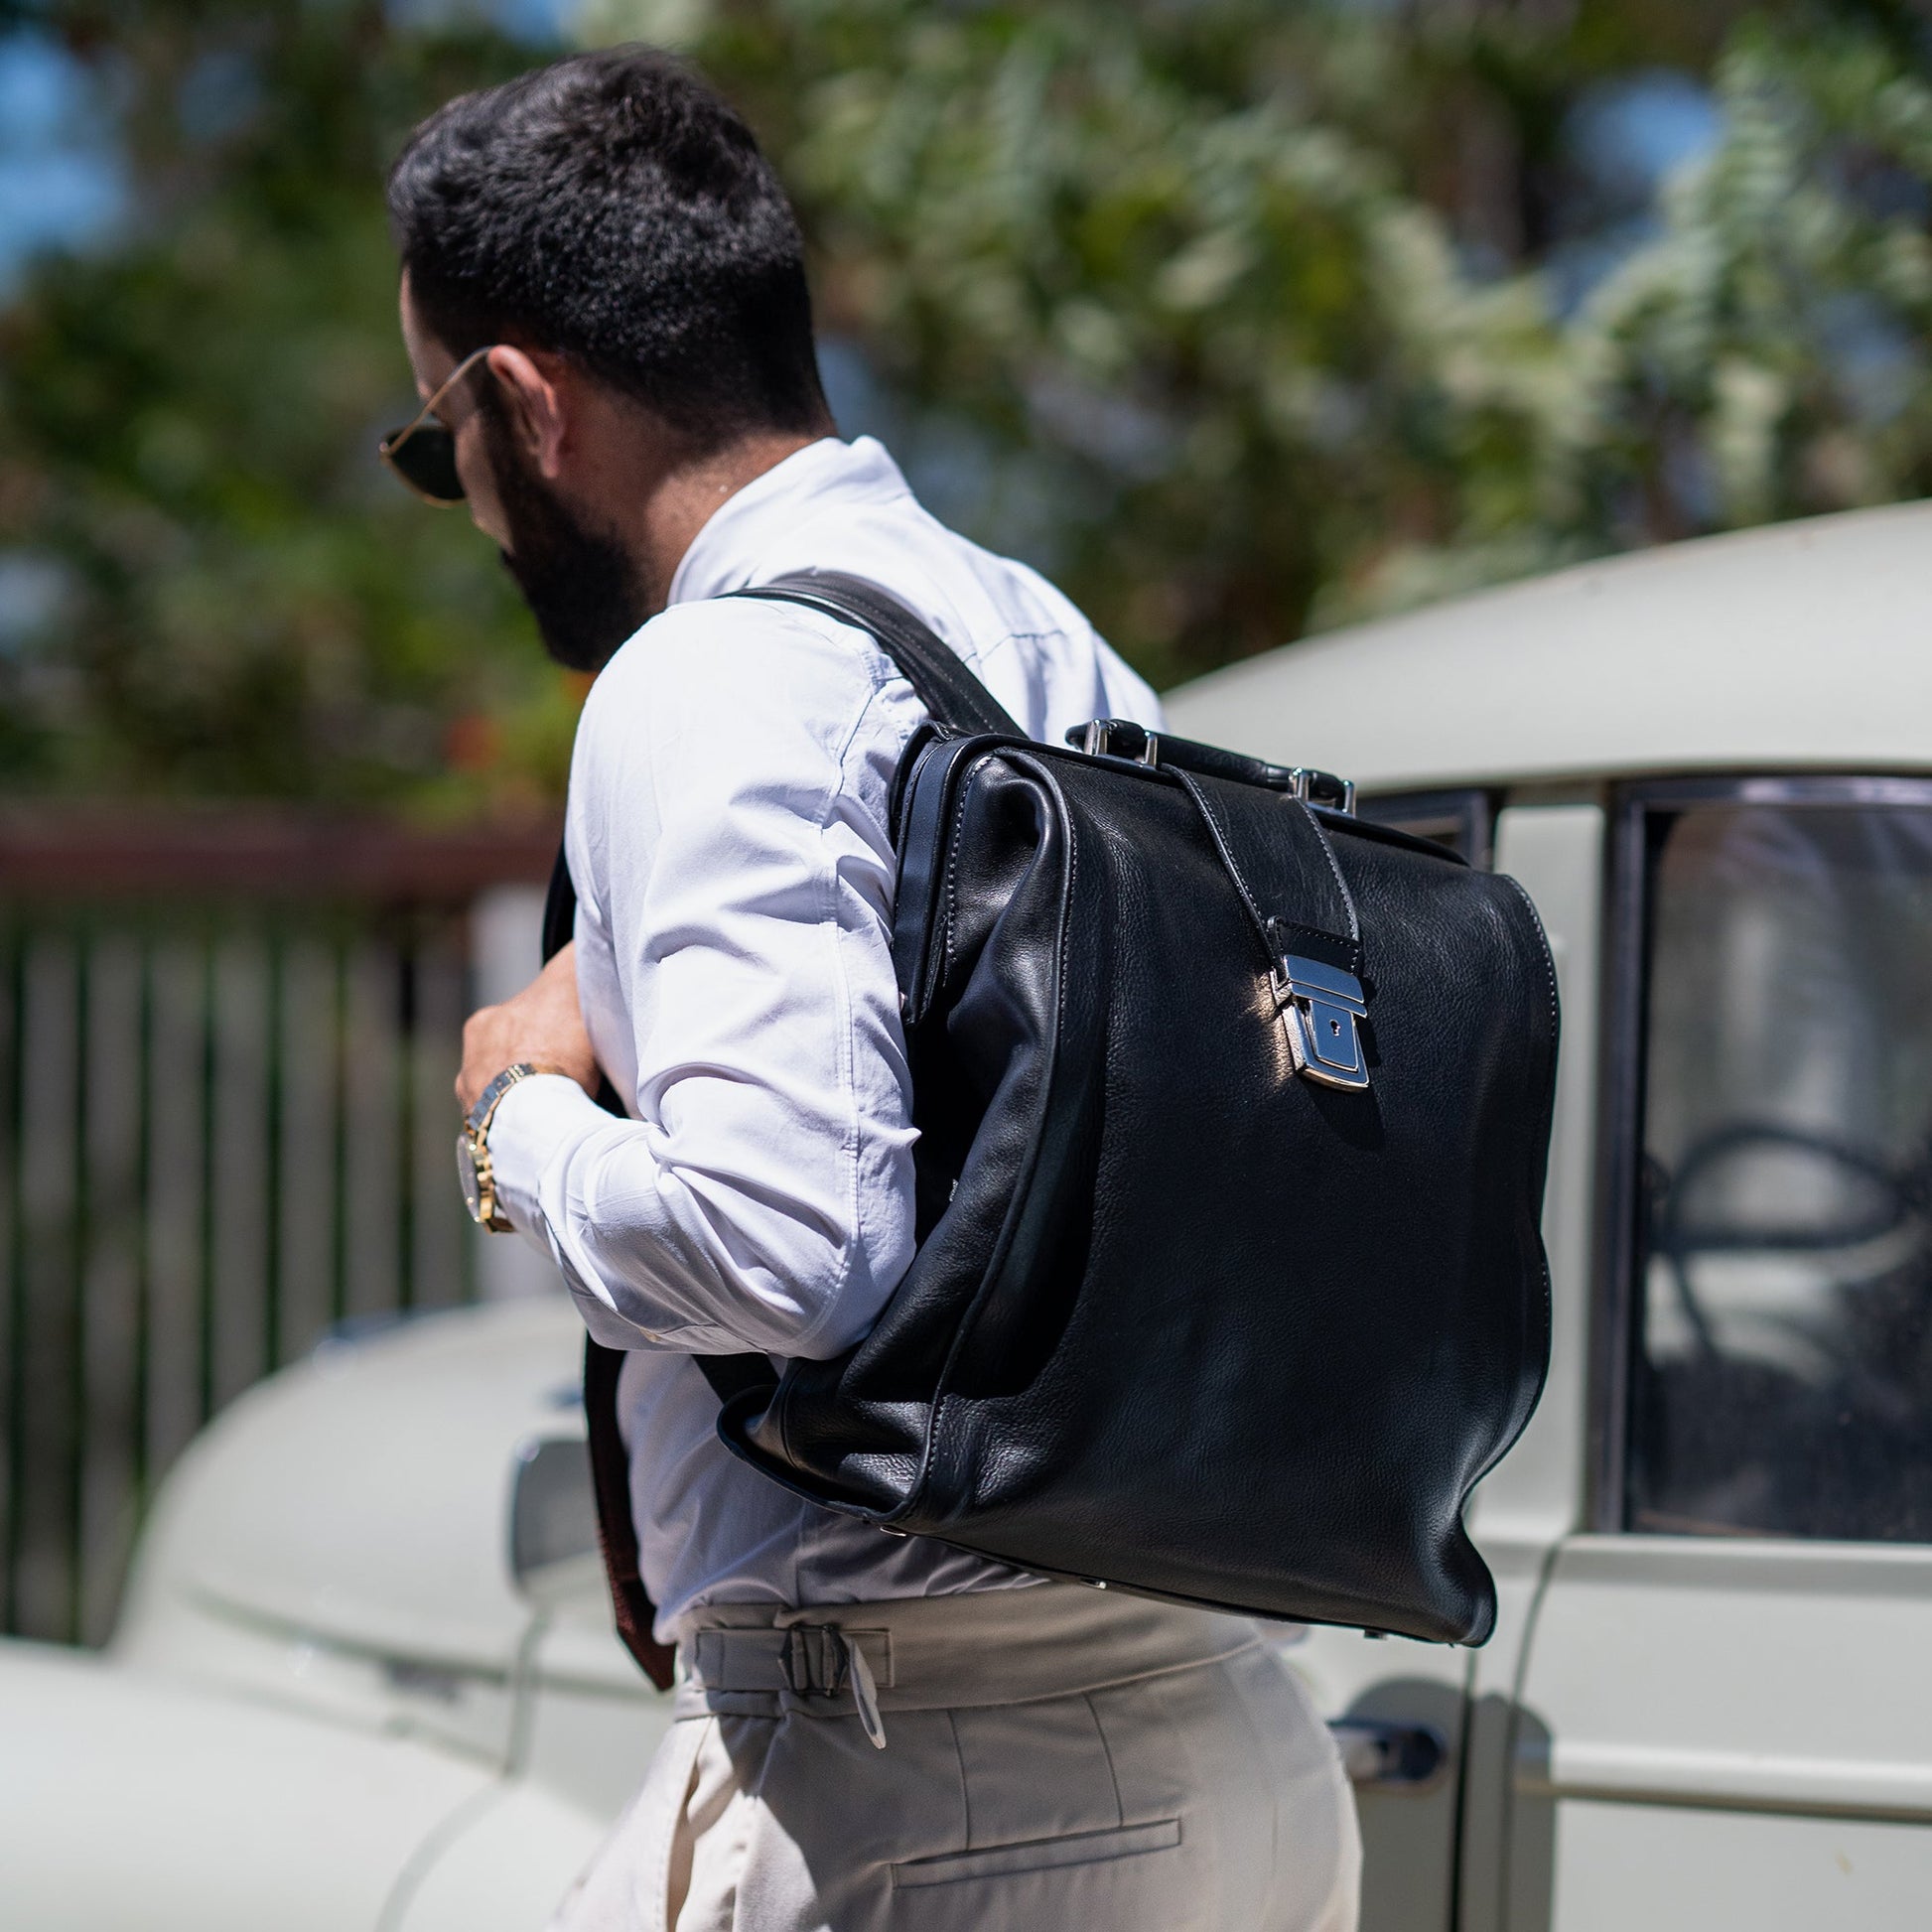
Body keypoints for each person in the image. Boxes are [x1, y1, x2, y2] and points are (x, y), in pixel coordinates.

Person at [383, 45, 1359, 1932]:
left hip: (921, 1785)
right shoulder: (1035, 635)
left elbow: (783, 1247)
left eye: (439, 447)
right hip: (1222, 1746)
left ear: (522, 400)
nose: (470, 504)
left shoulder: (710, 674)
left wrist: (517, 1124)